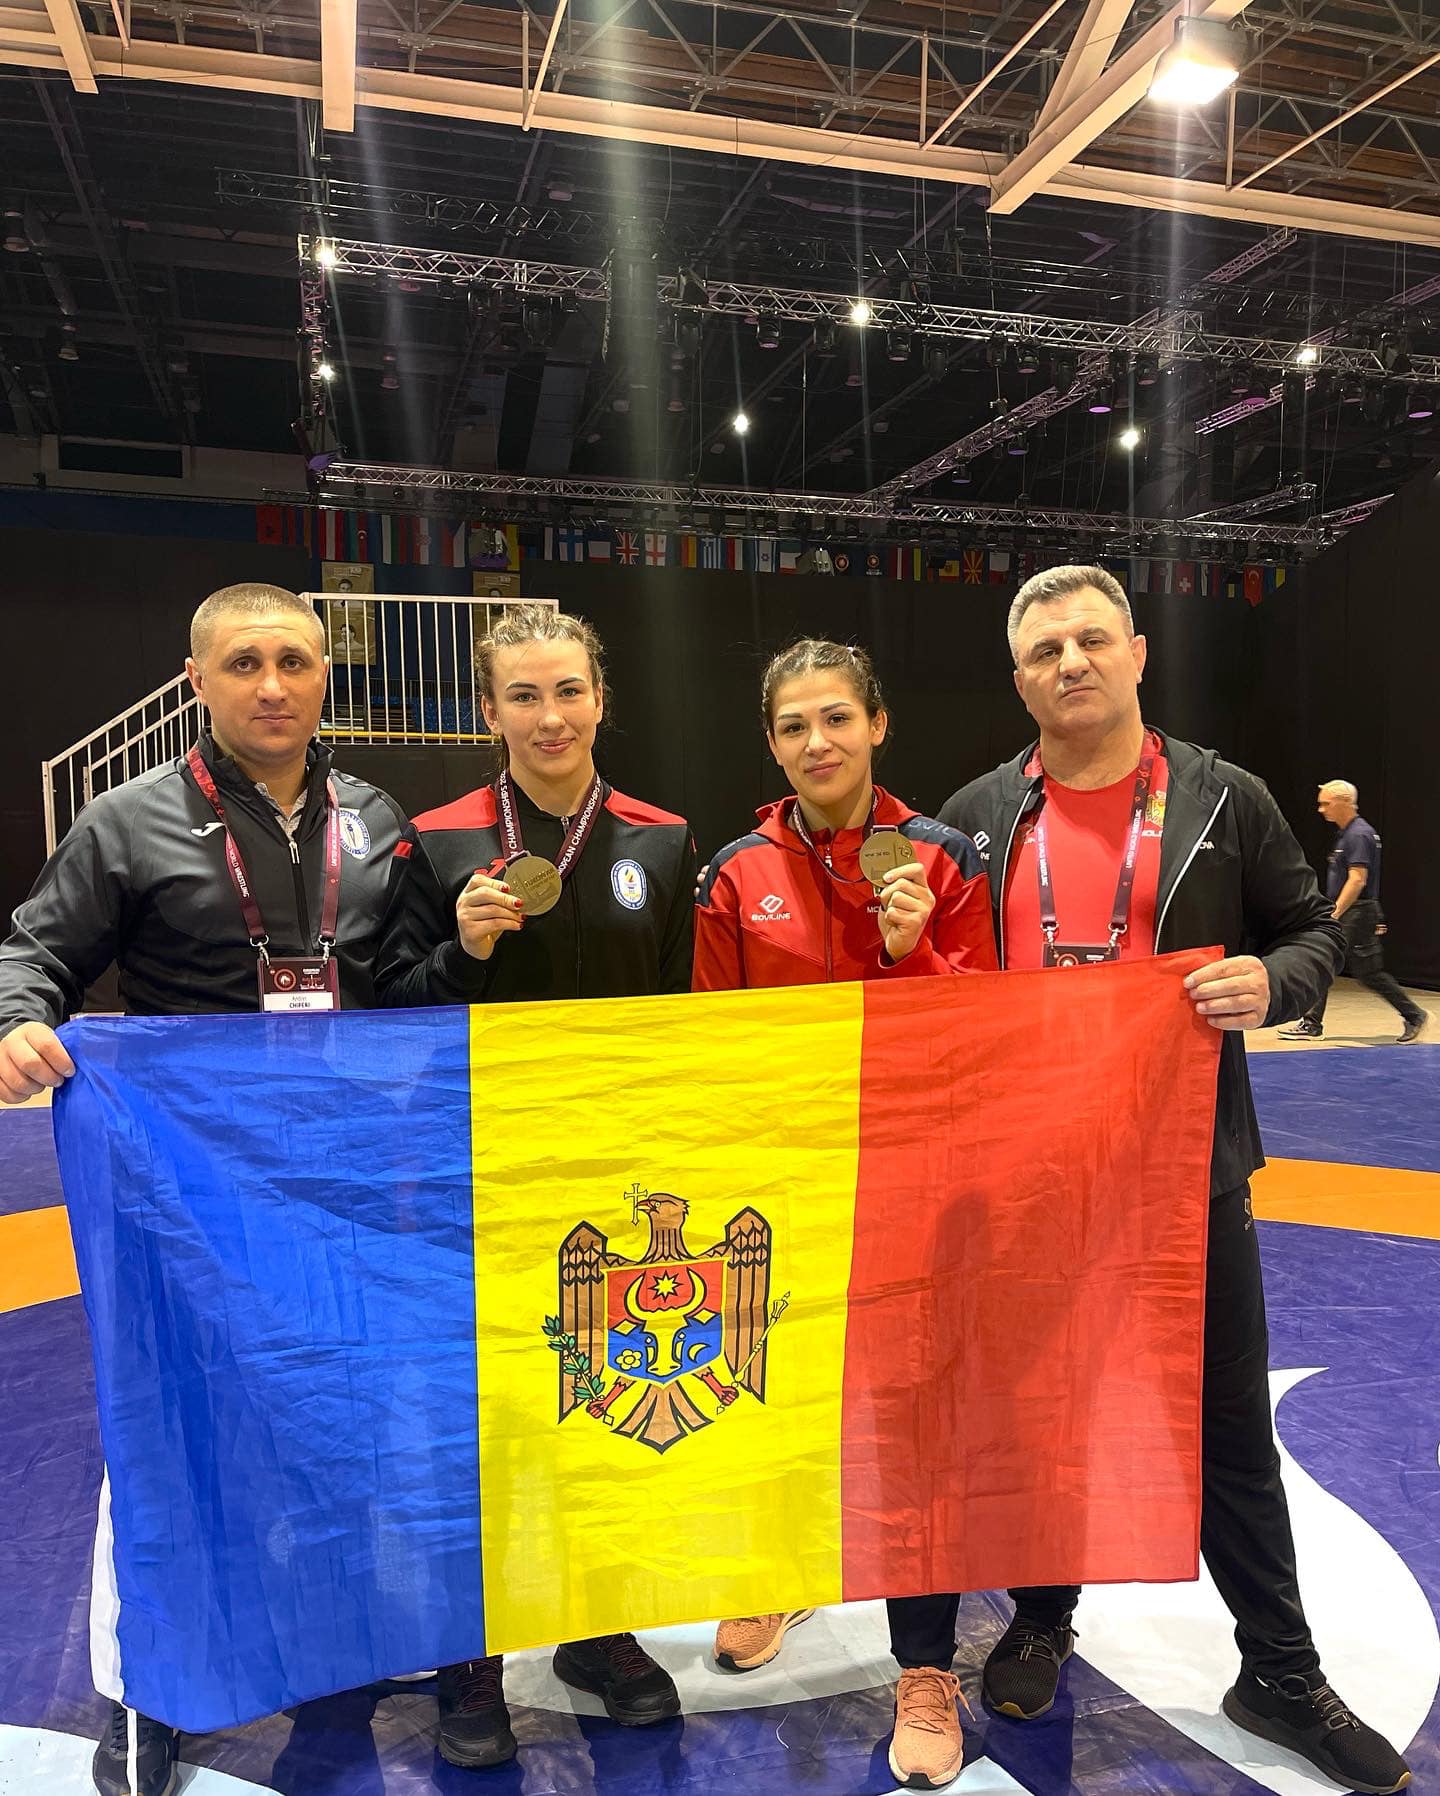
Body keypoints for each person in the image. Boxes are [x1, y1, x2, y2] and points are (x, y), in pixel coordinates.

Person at [936, 565, 1410, 1796]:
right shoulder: (977, 816)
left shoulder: (1222, 796)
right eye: (1045, 649)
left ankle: (1282, 1670)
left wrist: (1277, 982)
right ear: (1018, 676)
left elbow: (1311, 930)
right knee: (1045, 1417)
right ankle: (1044, 1615)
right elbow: (933, 982)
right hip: (1031, 1179)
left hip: (1184, 1173)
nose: (1071, 662)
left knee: (1225, 1430)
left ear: (1137, 651)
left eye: (1093, 639)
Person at [0, 583, 419, 1796]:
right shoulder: (128, 820)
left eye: (294, 659)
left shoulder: (374, 818)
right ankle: (149, 1692)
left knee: (338, 1415)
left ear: (327, 673)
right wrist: (18, 1017)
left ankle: (338, 1641)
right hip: (183, 1191)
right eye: (244, 662)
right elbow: (34, 949)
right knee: (172, 1435)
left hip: (341, 1183)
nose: (272, 684)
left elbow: (407, 980)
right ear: (198, 678)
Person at [377, 603, 695, 1768]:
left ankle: (594, 1624)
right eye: (524, 694)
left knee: (602, 1403)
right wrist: (459, 950)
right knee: (476, 1421)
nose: (550, 715)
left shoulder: (664, 838)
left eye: (568, 690)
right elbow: (386, 1006)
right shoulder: (435, 841)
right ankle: (470, 1653)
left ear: (602, 697)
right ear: (488, 709)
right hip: (476, 1173)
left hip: (613, 1179)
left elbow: (684, 1015)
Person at [693, 638, 996, 1793]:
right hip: (782, 1185)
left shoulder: (946, 857)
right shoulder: (735, 872)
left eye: (835, 717)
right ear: (771, 742)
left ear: (878, 723)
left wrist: (912, 955)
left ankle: (924, 1667)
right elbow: (712, 1039)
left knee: (914, 1420)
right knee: (774, 1390)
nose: (816, 741)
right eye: (792, 724)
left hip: (917, 1177)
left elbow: (988, 1028)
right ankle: (779, 1566)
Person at [1279, 779, 1428, 1044]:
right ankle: (1413, 1014)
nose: (1321, 810)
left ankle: (1312, 1024)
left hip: (1355, 912)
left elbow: (1357, 879)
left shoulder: (1358, 834)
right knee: (1368, 972)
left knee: (1324, 960)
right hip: (1356, 911)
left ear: (1344, 802)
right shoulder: (1347, 833)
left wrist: (1335, 913)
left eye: (1326, 803)